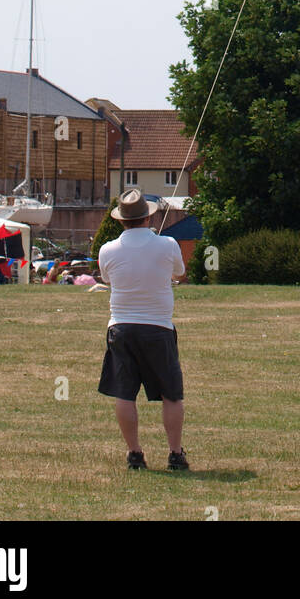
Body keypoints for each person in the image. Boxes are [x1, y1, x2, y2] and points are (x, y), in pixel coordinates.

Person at [97, 189, 188, 472]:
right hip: (158, 327)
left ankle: (134, 453)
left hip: (121, 328)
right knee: (171, 394)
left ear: (122, 220)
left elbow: (107, 278)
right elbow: (180, 274)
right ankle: (175, 453)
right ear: (149, 217)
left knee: (125, 393)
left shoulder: (107, 249)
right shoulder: (169, 244)